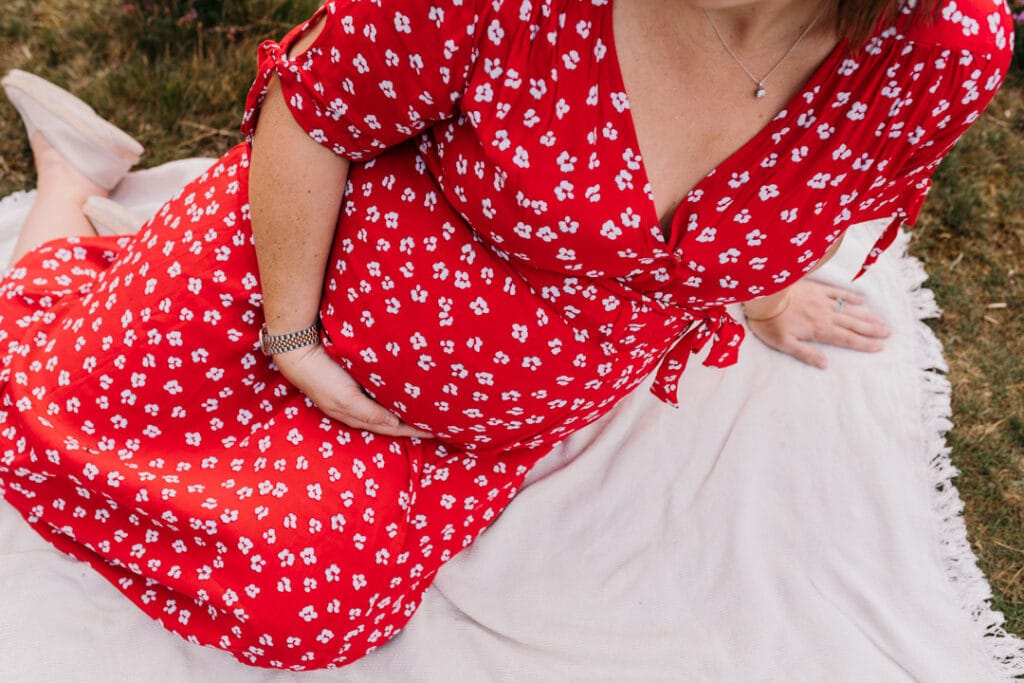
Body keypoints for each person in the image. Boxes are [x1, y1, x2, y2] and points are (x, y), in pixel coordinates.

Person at [0, 0, 1012, 671]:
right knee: (33, 411)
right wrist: (294, 338)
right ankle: (71, 187)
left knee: (303, 611)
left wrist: (756, 284)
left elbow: (812, 180)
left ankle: (83, 199)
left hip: (454, 426)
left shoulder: (937, 51)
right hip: (285, 284)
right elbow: (312, 116)